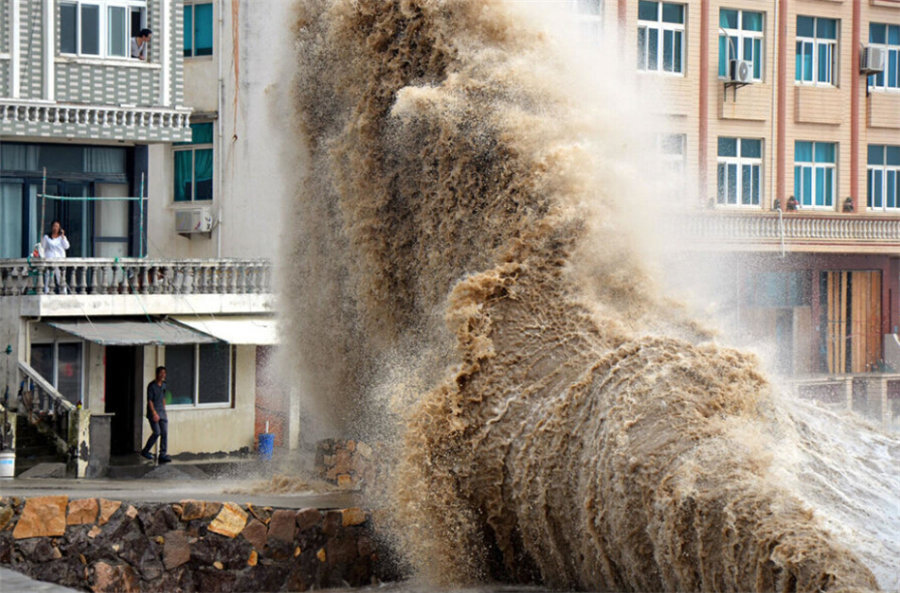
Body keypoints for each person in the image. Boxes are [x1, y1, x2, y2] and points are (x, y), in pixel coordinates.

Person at [141, 366, 171, 463]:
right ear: (157, 374)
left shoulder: (164, 385)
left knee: (164, 432)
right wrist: (154, 413)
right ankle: (145, 451)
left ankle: (163, 454)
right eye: (161, 373)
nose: (163, 375)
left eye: (164, 373)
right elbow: (150, 401)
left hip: (162, 412)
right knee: (157, 432)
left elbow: (163, 397)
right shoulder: (151, 386)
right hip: (153, 412)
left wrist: (164, 411)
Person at [41, 220, 69, 293]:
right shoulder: (47, 237)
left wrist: (63, 237)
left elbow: (66, 246)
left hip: (60, 260)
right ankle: (47, 291)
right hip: (50, 259)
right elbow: (43, 248)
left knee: (60, 277)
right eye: (54, 226)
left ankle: (63, 292)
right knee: (48, 276)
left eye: (57, 226)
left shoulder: (61, 238)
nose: (55, 228)